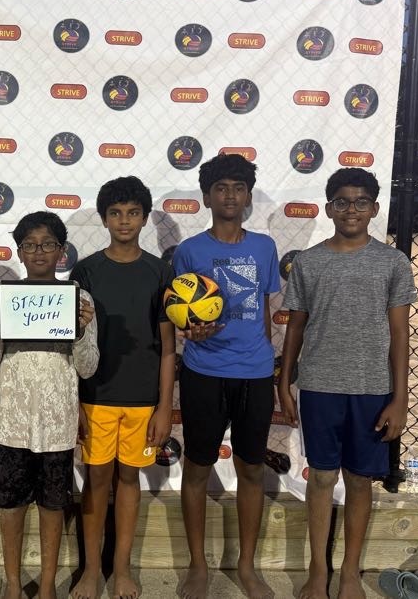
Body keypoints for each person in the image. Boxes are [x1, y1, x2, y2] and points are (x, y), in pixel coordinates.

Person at [278, 168, 417, 599]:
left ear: (374, 209)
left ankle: (351, 571)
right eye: (341, 202)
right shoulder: (309, 262)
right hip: (320, 386)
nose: (351, 209)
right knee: (321, 479)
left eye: (360, 202)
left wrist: (400, 397)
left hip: (372, 390)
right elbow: (295, 327)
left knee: (359, 482)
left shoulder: (393, 262)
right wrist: (284, 382)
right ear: (329, 208)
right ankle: (318, 570)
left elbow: (399, 334)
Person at [172, 154, 280, 599]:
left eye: (238, 187)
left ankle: (247, 566)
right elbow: (181, 314)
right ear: (207, 197)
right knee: (197, 469)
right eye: (221, 188)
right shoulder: (189, 251)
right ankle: (198, 565)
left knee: (251, 469)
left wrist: (268, 364)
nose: (230, 195)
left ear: (248, 196)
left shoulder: (265, 248)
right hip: (204, 371)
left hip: (254, 373)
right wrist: (190, 331)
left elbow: (267, 314)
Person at [0, 211, 99, 599]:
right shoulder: (2, 298)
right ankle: (13, 585)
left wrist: (80, 332)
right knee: (10, 507)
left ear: (62, 251)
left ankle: (47, 586)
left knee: (52, 506)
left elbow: (88, 366)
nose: (39, 252)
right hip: (11, 423)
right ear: (19, 252)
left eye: (48, 244)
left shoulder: (79, 300)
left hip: (57, 423)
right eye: (29, 245)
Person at [70, 177, 176, 599]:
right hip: (95, 396)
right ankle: (91, 570)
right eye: (115, 213)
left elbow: (168, 348)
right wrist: (74, 401)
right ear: (104, 219)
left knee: (129, 479)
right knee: (96, 481)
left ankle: (122, 569)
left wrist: (165, 407)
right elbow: (72, 343)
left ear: (145, 218)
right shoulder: (86, 271)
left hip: (142, 399)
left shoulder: (160, 272)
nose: (124, 221)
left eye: (133, 213)